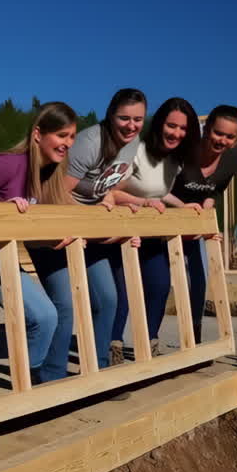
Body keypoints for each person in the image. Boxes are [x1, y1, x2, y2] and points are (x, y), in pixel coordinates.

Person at [0, 102, 80, 382]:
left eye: (71, 137)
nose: (67, 143)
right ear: (37, 134)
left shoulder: (47, 178)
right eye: (61, 135)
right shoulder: (5, 165)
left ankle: (26, 390)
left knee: (45, 317)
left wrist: (52, 240)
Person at [64, 88, 146, 367]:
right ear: (111, 115)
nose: (131, 125)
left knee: (108, 299)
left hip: (95, 224)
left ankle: (99, 367)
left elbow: (112, 186)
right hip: (66, 225)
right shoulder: (88, 143)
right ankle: (52, 374)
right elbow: (59, 194)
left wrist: (131, 201)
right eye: (124, 118)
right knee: (64, 307)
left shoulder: (133, 144)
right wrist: (89, 220)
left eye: (138, 119)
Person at [111, 97, 200, 355]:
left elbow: (158, 193)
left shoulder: (175, 160)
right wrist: (142, 202)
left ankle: (149, 344)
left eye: (183, 128)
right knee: (122, 293)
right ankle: (112, 346)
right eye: (172, 125)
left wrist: (182, 206)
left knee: (160, 285)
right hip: (120, 231)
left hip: (150, 233)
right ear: (159, 122)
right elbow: (109, 191)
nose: (177, 133)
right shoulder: (134, 150)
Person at [165, 104, 237, 343]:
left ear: (236, 138)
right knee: (159, 284)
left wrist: (208, 205)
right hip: (165, 223)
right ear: (206, 129)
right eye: (218, 133)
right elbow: (157, 189)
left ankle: (193, 337)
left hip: (196, 227)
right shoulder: (182, 153)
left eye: (230, 136)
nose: (222, 140)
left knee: (200, 279)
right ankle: (149, 339)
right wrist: (181, 208)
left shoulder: (231, 159)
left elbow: (218, 188)